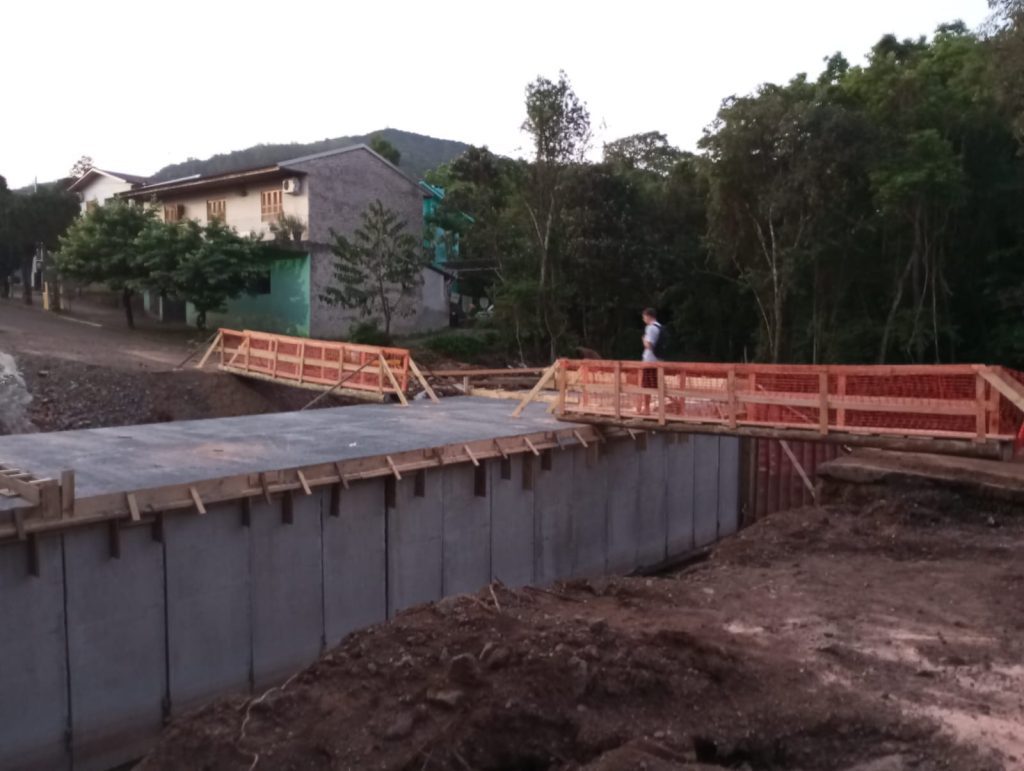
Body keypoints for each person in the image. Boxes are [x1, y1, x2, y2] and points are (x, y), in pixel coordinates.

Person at [639, 308, 662, 413]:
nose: (643, 319)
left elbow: (649, 345)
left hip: (649, 360)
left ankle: (646, 408)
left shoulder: (650, 328)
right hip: (658, 359)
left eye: (644, 317)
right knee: (657, 384)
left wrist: (643, 339)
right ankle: (662, 407)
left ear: (648, 316)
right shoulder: (660, 327)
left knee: (646, 384)